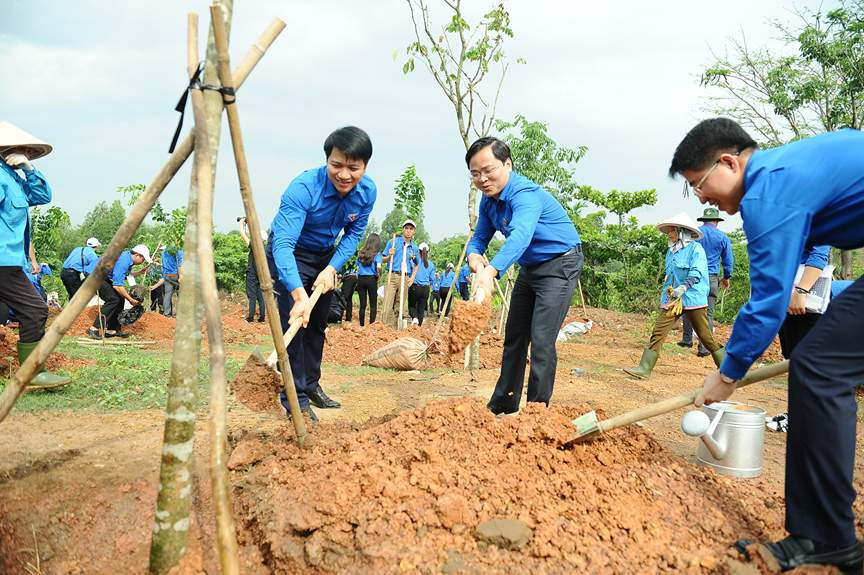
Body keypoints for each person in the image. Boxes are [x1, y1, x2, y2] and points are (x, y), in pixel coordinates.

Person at [669, 118, 864, 572]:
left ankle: (825, 537)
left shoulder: (766, 193)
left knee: (818, 367)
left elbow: (768, 302)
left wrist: (728, 374)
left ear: (728, 163)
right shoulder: (785, 172)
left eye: (699, 184)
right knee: (819, 362)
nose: (701, 198)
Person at [466, 136, 583, 415]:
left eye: (488, 170)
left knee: (541, 339)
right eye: (475, 173)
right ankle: (503, 405)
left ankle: (535, 413)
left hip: (560, 264)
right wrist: (473, 256)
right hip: (531, 267)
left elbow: (521, 236)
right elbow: (479, 237)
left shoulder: (524, 195)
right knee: (515, 336)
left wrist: (490, 271)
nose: (482, 179)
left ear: (507, 164)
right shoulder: (488, 201)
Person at [267, 126, 375, 420]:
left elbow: (353, 234)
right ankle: (296, 399)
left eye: (353, 168)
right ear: (327, 160)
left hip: (326, 257)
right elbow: (283, 244)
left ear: (364, 166)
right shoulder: (303, 189)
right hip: (292, 255)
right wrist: (297, 293)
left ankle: (311, 385)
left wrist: (331, 268)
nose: (344, 175)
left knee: (317, 324)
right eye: (336, 165)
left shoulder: (367, 192)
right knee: (296, 325)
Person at [0, 122, 69, 387]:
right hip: (3, 262)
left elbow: (42, 195)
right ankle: (32, 373)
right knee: (35, 309)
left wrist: (29, 168)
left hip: (11, 261)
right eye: (24, 149)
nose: (28, 153)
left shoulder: (13, 178)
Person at [624, 213, 724, 379]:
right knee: (658, 331)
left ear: (681, 231)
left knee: (705, 336)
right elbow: (669, 276)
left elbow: (697, 273)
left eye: (672, 231)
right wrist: (668, 296)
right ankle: (644, 368)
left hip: (693, 298)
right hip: (673, 299)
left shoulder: (696, 249)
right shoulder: (671, 252)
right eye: (669, 231)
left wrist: (683, 287)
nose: (669, 234)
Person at [678, 207, 734, 356]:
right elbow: (728, 260)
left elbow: (683, 253)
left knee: (689, 307)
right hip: (711, 278)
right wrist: (726, 277)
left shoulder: (694, 234)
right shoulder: (722, 237)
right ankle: (703, 348)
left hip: (693, 275)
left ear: (703, 220)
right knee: (708, 313)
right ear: (716, 221)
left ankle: (687, 340)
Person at [87, 244, 151, 339]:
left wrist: (139, 273)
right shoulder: (124, 260)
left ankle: (112, 329)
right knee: (113, 299)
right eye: (143, 259)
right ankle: (94, 329)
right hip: (94, 275)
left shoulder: (127, 259)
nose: (143, 261)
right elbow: (117, 285)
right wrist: (130, 300)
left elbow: (121, 275)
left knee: (120, 299)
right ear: (137, 255)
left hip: (102, 275)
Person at [381, 220, 418, 326]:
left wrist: (412, 278)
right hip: (392, 275)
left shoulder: (414, 248)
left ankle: (394, 328)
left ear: (414, 231)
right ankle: (383, 327)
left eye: (411, 229)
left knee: (399, 305)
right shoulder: (393, 242)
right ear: (403, 229)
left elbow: (417, 264)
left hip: (405, 277)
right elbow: (382, 259)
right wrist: (389, 256)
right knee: (387, 304)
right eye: (406, 228)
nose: (408, 231)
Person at [239, 218, 266, 322]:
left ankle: (250, 317)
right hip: (260, 275)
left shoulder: (255, 246)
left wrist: (241, 224)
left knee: (252, 295)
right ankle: (262, 317)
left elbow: (243, 236)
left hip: (252, 274)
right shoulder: (264, 247)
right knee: (260, 295)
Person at [355, 232, 381, 326]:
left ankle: (361, 325)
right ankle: (371, 325)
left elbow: (357, 265)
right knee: (373, 304)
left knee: (362, 304)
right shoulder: (377, 255)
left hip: (361, 279)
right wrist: (379, 274)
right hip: (371, 280)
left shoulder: (361, 253)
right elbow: (379, 267)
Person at [408, 242, 435, 326]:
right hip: (425, 289)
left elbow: (409, 272)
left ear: (418, 251)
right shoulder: (431, 264)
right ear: (428, 252)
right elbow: (432, 279)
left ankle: (414, 318)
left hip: (415, 287)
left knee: (411, 306)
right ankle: (418, 327)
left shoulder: (414, 261)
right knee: (421, 309)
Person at [160, 245, 183, 317]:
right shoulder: (178, 250)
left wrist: (163, 276)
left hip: (166, 275)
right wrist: (180, 276)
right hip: (175, 275)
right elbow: (180, 264)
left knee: (167, 294)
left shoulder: (164, 251)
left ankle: (167, 314)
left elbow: (162, 264)